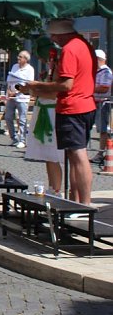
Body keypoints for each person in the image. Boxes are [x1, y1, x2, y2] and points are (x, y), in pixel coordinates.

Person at [21, 19, 96, 204]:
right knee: (74, 155)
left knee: (78, 155)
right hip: (86, 104)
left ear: (61, 34)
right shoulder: (85, 45)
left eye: (54, 35)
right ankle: (76, 200)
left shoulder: (70, 49)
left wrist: (36, 85)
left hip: (72, 107)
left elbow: (65, 85)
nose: (54, 39)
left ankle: (84, 204)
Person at [25, 37, 64, 196]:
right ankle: (52, 188)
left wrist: (35, 89)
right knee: (48, 156)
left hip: (51, 112)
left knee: (53, 154)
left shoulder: (59, 66)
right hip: (44, 110)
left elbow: (55, 93)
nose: (41, 60)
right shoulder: (52, 66)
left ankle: (56, 190)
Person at [4, 50, 34, 149]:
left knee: (22, 119)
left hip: (22, 97)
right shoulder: (14, 67)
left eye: (20, 57)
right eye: (18, 56)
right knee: (8, 117)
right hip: (11, 97)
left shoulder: (30, 69)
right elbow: (9, 80)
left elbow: (28, 84)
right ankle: (14, 138)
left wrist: (16, 92)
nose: (18, 58)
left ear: (25, 59)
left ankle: (23, 140)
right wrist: (8, 91)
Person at [93, 49, 112, 165]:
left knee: (103, 129)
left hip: (103, 103)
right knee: (101, 129)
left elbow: (104, 87)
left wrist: (88, 88)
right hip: (96, 102)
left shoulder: (105, 72)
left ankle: (101, 153)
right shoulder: (98, 71)